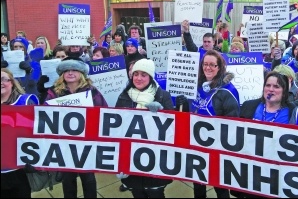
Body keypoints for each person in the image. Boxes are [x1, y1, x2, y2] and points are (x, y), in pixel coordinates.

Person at [176, 50, 240, 198]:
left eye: (212, 65)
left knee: (220, 187)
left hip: (217, 147)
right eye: (205, 64)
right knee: (198, 184)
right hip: (196, 144)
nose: (208, 68)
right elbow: (187, 114)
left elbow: (233, 123)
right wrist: (182, 104)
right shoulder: (196, 85)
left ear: (220, 67)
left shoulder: (228, 91)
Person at [44, 57, 108, 198]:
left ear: (82, 73)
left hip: (86, 142)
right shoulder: (54, 93)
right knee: (68, 179)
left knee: (88, 178)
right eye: (67, 70)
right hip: (64, 144)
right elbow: (45, 115)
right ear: (62, 74)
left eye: (74, 70)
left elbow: (104, 112)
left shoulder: (92, 92)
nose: (70, 73)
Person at [115, 58, 173, 198]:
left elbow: (172, 130)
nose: (138, 78)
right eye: (136, 74)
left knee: (156, 194)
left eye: (143, 74)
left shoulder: (162, 95)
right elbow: (116, 131)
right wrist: (118, 162)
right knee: (137, 194)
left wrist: (162, 112)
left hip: (155, 160)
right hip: (131, 160)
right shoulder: (124, 96)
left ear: (150, 77)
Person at [1, 68, 40, 198]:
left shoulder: (25, 102)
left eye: (3, 79)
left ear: (12, 82)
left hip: (19, 169)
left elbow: (37, 129)